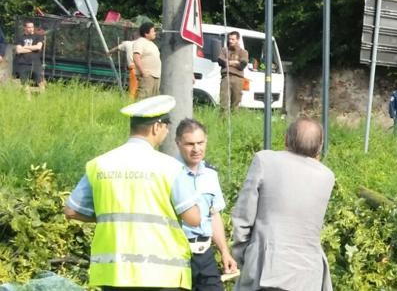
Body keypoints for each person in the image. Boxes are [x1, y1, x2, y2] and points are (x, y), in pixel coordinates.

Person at [63, 95, 202, 290]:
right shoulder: (169, 167)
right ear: (156, 127)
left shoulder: (100, 164)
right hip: (161, 274)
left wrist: (109, 218)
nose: (167, 131)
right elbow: (193, 218)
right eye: (166, 125)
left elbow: (70, 211)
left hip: (113, 273)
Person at [231, 118, 335, 291]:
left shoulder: (264, 160)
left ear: (286, 138)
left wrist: (243, 256)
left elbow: (243, 216)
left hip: (265, 267)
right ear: (320, 147)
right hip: (309, 276)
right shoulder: (327, 176)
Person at [174, 119, 238, 290]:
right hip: (178, 254)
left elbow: (214, 214)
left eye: (200, 143)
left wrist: (224, 252)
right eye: (189, 144)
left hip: (205, 254)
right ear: (178, 143)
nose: (196, 149)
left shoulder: (210, 174)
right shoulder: (169, 172)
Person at [216, 31, 249, 111]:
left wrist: (229, 62)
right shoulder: (224, 50)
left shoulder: (243, 52)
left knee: (235, 104)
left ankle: (235, 121)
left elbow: (242, 65)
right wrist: (235, 62)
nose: (230, 41)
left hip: (238, 79)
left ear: (238, 40)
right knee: (224, 103)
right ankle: (223, 122)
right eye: (229, 39)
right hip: (226, 77)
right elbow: (221, 61)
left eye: (233, 39)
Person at [133, 22, 161, 99]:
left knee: (153, 102)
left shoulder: (152, 44)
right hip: (147, 77)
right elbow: (136, 57)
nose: (155, 33)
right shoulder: (140, 42)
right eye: (153, 31)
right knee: (142, 100)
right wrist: (143, 72)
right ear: (146, 33)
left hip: (156, 77)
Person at [109, 30, 139, 100]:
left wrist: (109, 52)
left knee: (133, 88)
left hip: (134, 69)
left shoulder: (127, 43)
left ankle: (131, 102)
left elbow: (117, 48)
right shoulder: (142, 45)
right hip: (143, 69)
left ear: (131, 37)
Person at [13, 21, 44, 87]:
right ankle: (27, 97)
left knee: (40, 83)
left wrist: (25, 47)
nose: (31, 29)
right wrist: (33, 48)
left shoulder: (38, 37)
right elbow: (18, 50)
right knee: (25, 84)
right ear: (25, 28)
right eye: (29, 27)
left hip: (36, 64)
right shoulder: (20, 38)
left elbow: (38, 47)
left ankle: (44, 97)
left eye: (32, 27)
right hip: (23, 64)